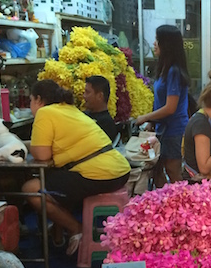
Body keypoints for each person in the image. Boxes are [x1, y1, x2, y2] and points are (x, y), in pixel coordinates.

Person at [23, 79, 130, 256]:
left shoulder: (45, 113)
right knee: (59, 181)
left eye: (31, 101)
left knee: (31, 189)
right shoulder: (68, 110)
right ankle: (61, 234)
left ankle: (76, 228)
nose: (30, 106)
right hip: (117, 169)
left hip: (100, 173)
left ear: (39, 100)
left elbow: (41, 154)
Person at [135, 25, 190, 187]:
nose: (154, 44)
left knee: (172, 171)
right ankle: (162, 205)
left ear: (166, 45)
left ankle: (182, 207)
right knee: (157, 170)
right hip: (162, 129)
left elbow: (170, 108)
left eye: (157, 40)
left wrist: (145, 117)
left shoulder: (174, 72)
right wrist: (152, 122)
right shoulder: (165, 69)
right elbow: (159, 101)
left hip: (173, 131)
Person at [83, 75, 118, 143]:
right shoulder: (83, 115)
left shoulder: (107, 124)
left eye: (87, 92)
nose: (84, 96)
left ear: (99, 96)